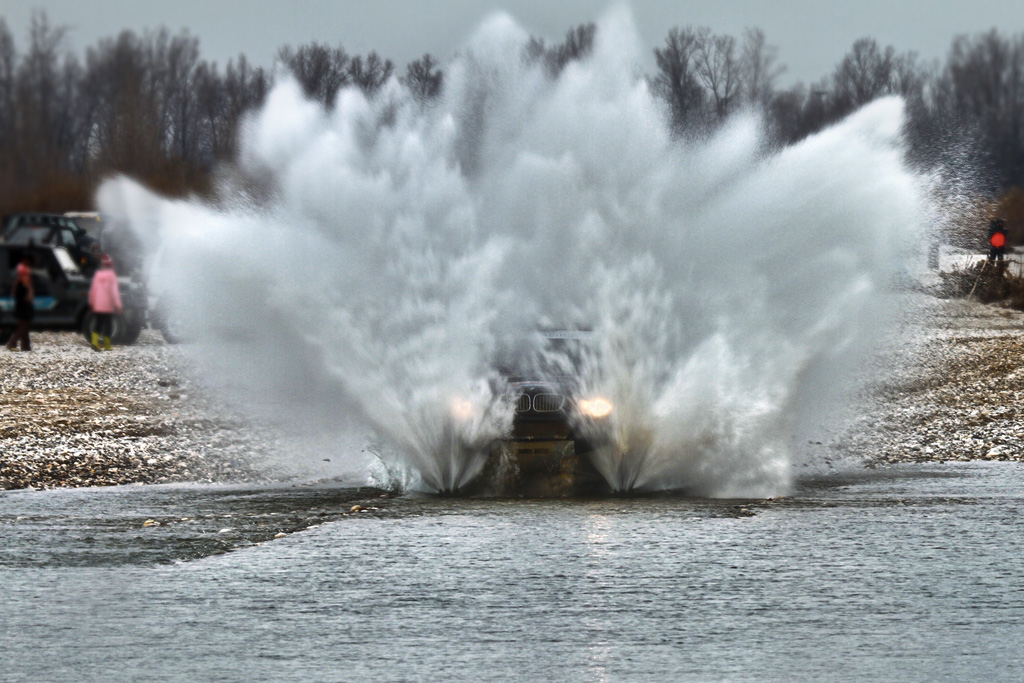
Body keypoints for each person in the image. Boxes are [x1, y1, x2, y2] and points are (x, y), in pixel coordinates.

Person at [88, 253, 123, 351]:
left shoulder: (98, 275)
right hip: (107, 305)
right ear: (111, 265)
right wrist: (118, 305)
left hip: (98, 304)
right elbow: (114, 292)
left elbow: (93, 290)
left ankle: (94, 342)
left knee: (98, 323)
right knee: (108, 324)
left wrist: (91, 302)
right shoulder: (112, 276)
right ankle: (107, 345)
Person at [5, 252, 35, 352]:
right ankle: (12, 343)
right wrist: (30, 292)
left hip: (21, 304)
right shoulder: (22, 280)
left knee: (24, 325)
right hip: (23, 305)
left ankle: (26, 346)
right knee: (23, 325)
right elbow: (27, 288)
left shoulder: (18, 282)